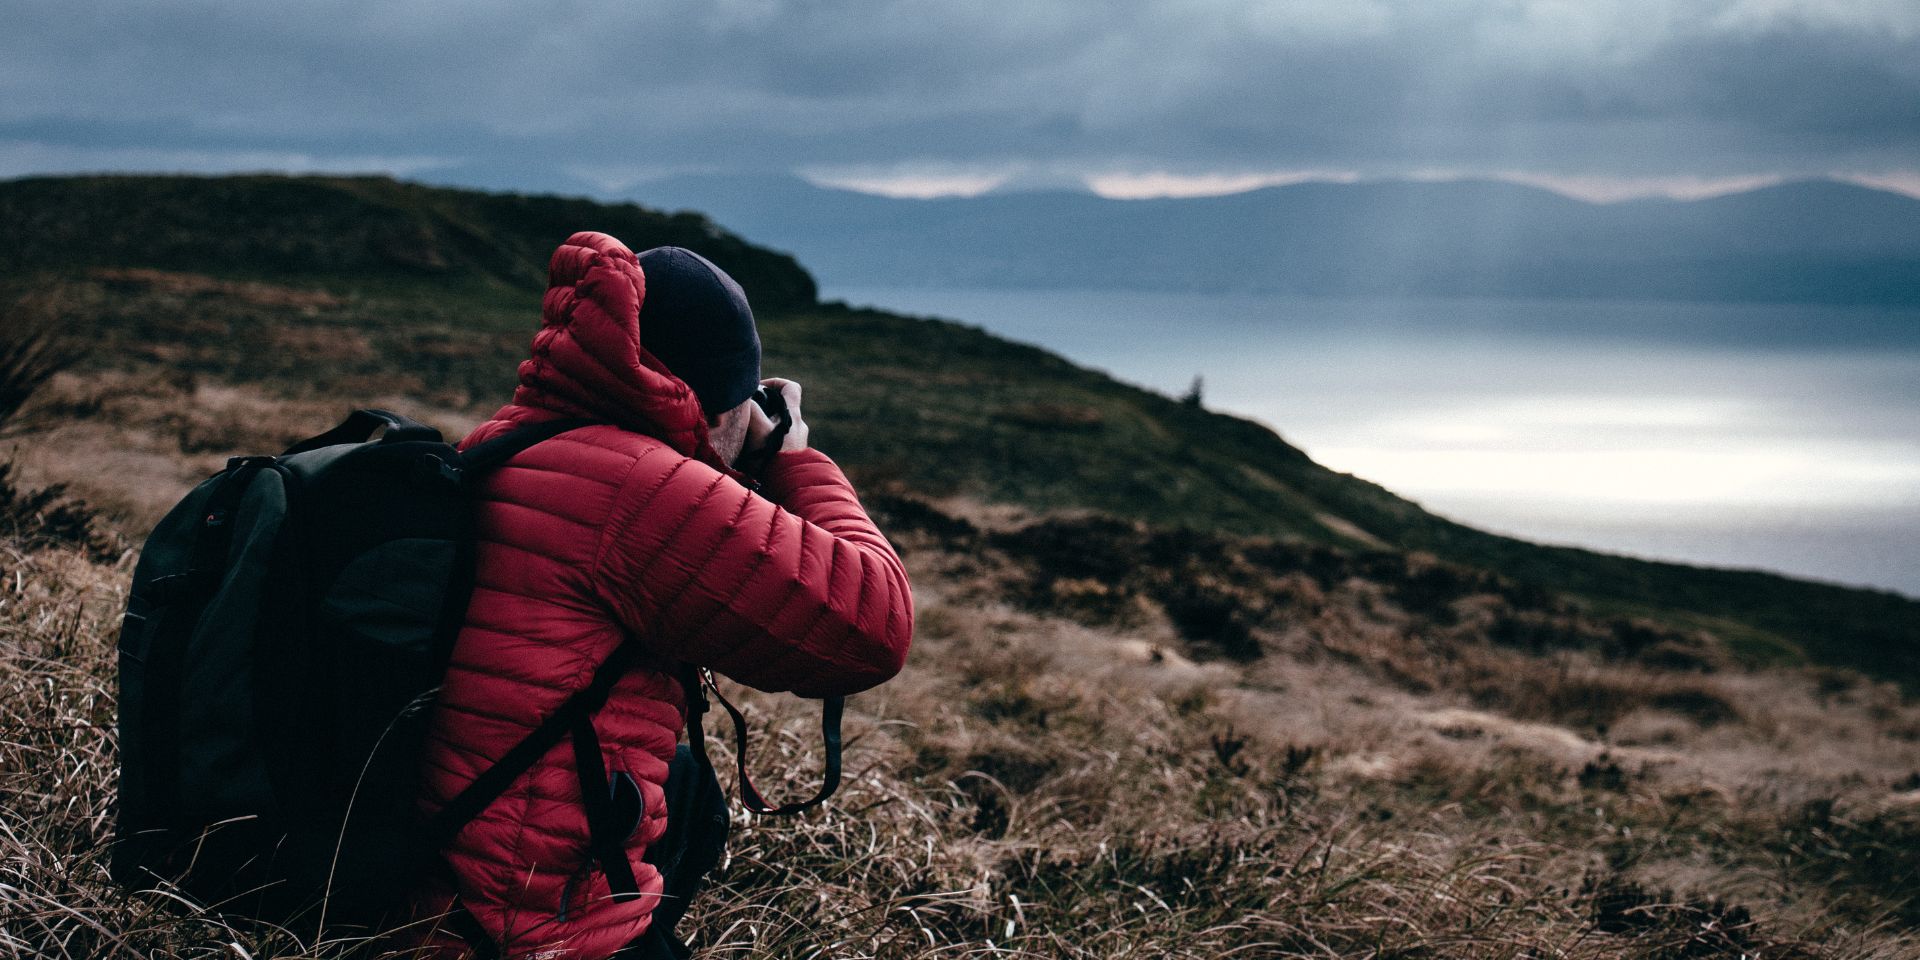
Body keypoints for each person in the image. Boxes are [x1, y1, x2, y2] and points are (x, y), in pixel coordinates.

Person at [408, 232, 914, 957]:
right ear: (718, 399)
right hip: (516, 927)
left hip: (420, 874)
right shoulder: (642, 489)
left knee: (685, 790)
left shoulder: (512, 437)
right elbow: (874, 626)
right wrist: (795, 461)